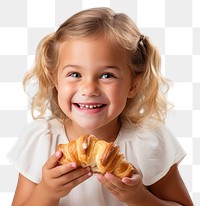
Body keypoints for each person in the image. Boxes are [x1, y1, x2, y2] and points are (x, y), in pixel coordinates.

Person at [7, 7, 193, 206]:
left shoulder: (149, 141)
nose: (89, 89)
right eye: (75, 74)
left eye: (107, 75)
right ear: (55, 80)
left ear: (133, 84)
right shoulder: (41, 141)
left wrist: (138, 197)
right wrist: (47, 192)